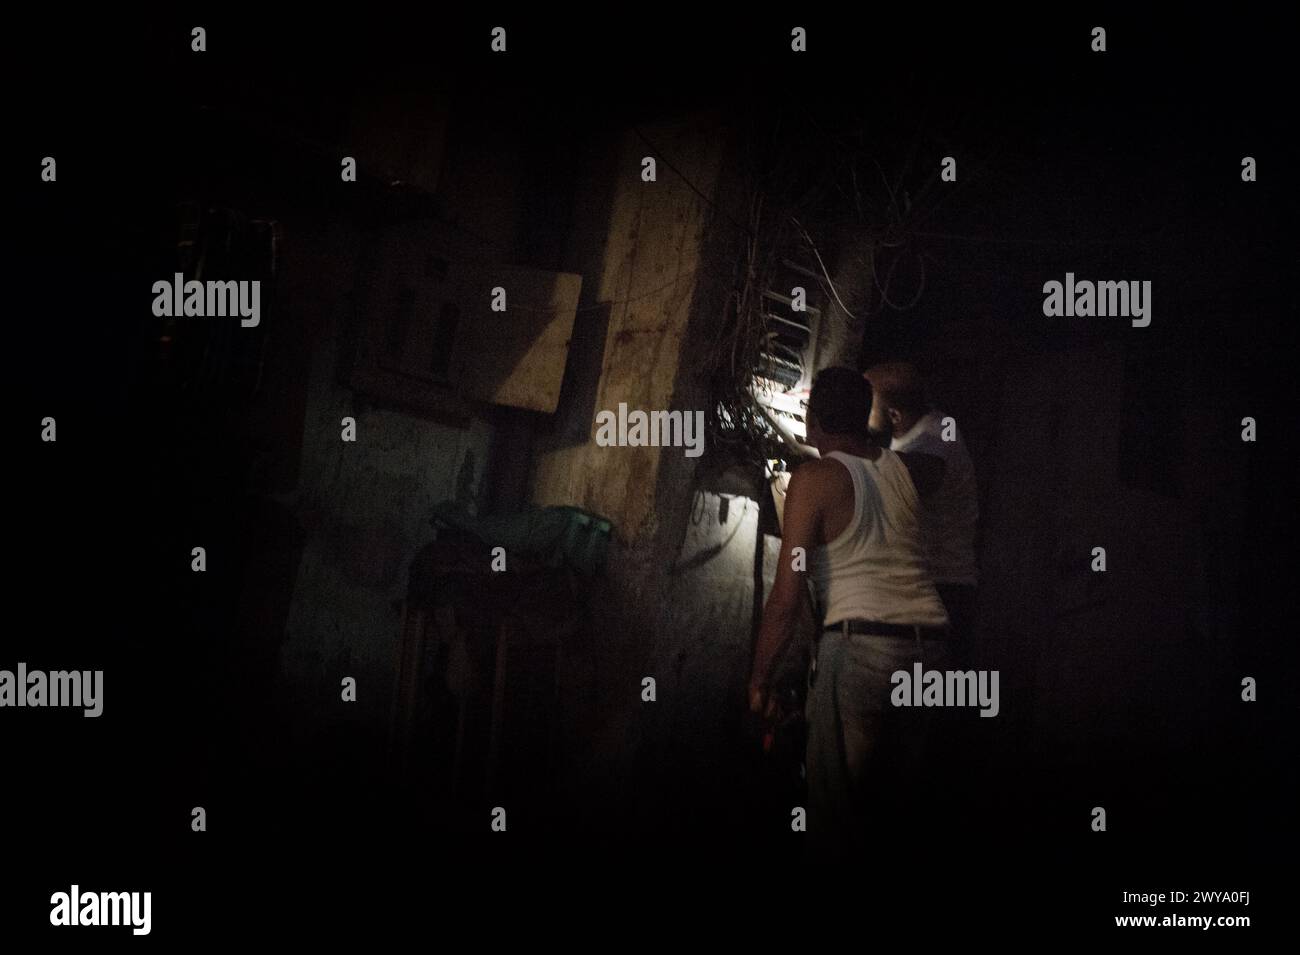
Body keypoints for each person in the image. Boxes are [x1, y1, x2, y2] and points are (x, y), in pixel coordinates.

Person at [748, 367, 951, 858]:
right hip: (931, 653)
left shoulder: (814, 479)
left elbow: (786, 597)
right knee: (896, 810)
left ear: (812, 421)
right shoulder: (912, 470)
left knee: (836, 813)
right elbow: (934, 465)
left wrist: (759, 681)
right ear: (865, 419)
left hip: (864, 652)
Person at [866, 361, 979, 667]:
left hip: (942, 591)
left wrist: (850, 454)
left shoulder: (939, 432)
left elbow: (924, 474)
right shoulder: (909, 436)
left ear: (894, 415)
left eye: (868, 402)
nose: (862, 408)